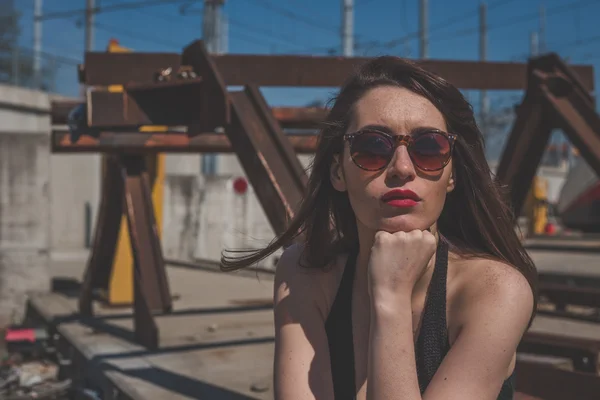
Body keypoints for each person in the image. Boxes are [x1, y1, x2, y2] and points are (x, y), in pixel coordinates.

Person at [221, 56, 538, 400]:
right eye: (372, 147)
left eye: (429, 147)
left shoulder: (496, 290)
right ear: (338, 172)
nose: (402, 168)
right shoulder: (306, 274)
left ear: (453, 174)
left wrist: (391, 298)